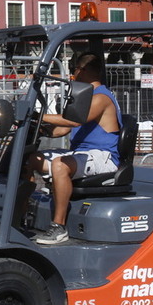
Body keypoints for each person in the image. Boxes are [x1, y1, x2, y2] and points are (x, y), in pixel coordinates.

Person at [25, 53, 122, 245]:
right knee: (31, 160)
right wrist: (39, 128)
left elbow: (75, 119)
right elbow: (63, 128)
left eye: (75, 69)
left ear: (83, 70)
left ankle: (59, 227)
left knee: (60, 166)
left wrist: (38, 115)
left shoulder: (101, 97)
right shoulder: (85, 99)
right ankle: (21, 216)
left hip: (104, 157)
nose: (73, 74)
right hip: (82, 154)